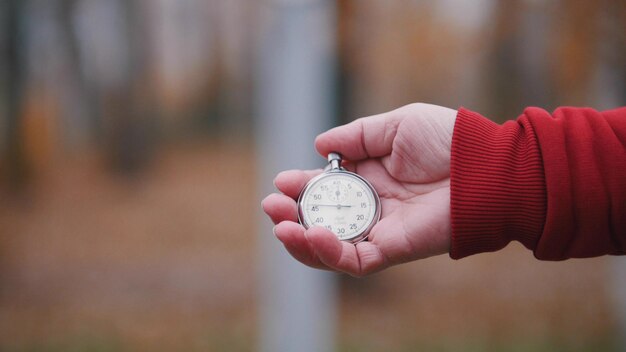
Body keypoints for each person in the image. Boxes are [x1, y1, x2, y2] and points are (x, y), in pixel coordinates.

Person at [261, 103, 626, 277]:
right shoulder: (353, 189)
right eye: (329, 205)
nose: (337, 208)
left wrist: (500, 164)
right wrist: (509, 169)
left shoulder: (354, 190)